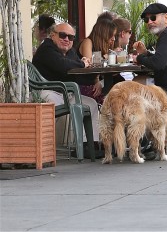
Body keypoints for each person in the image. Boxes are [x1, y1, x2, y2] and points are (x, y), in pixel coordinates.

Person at [32, 22, 103, 157]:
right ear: (52, 35)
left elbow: (75, 68)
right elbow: (64, 66)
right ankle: (43, 150)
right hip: (46, 90)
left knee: (91, 104)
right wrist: (82, 63)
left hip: (65, 92)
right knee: (52, 106)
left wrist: (97, 80)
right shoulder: (47, 48)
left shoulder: (69, 52)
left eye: (70, 37)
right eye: (63, 35)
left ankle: (89, 145)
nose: (67, 40)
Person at [77, 17, 117, 101]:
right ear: (104, 34)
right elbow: (90, 64)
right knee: (110, 98)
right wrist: (106, 57)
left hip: (92, 83)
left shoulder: (100, 46)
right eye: (111, 35)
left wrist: (97, 81)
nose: (113, 39)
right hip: (81, 85)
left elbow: (97, 70)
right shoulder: (88, 42)